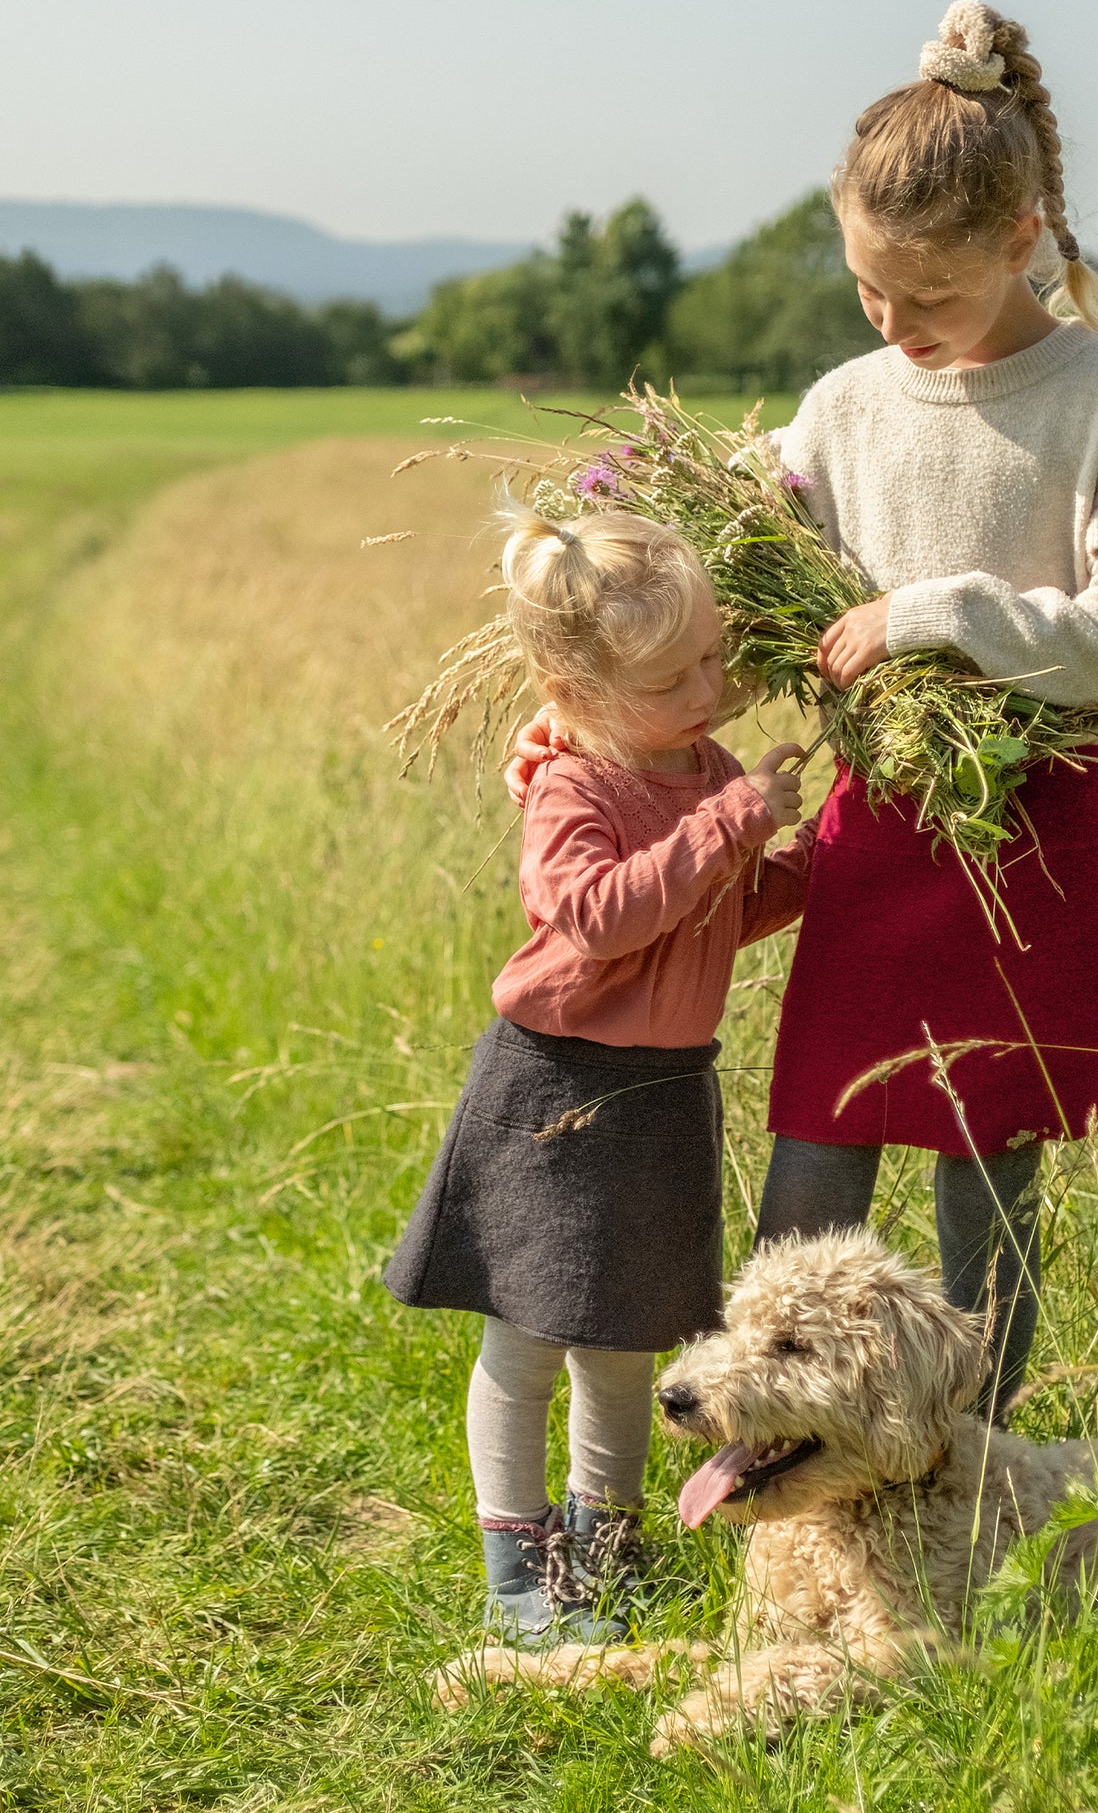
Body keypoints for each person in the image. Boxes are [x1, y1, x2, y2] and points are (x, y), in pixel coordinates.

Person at [506, 0, 1098, 1421]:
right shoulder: (845, 406)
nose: (892, 326)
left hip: (1025, 837)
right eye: (868, 290)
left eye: (928, 297)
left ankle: (962, 1481)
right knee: (817, 1152)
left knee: (990, 1178)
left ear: (1023, 236)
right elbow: (716, 590)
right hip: (880, 821)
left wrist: (935, 611)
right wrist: (587, 712)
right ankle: (778, 1459)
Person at [385, 503, 812, 1645]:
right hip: (554, 1095)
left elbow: (708, 914)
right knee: (527, 1343)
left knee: (627, 1347)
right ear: (571, 692)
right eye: (675, 678)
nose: (709, 692)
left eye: (716, 660)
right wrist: (732, 820)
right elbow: (598, 915)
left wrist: (802, 865)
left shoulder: (703, 764)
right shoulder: (575, 788)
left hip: (666, 1095)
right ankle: (516, 1569)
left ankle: (600, 1550)